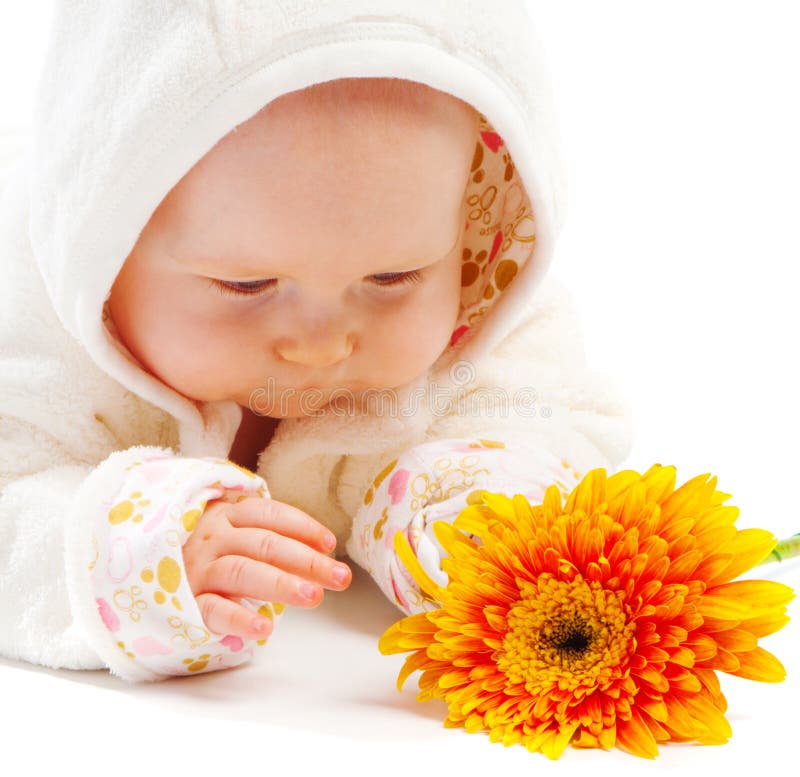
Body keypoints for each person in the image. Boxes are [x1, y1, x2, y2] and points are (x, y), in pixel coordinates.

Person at [0, 1, 634, 683]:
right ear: (104, 243)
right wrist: (140, 551)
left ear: (474, 231)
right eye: (246, 284)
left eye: (392, 277)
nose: (320, 347)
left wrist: (475, 499)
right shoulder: (37, 329)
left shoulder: (476, 316)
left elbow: (554, 409)